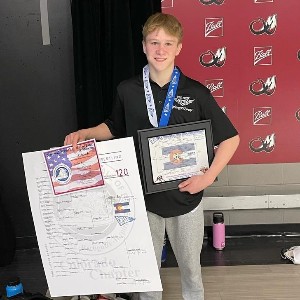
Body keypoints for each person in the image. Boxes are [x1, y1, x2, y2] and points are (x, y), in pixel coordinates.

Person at [65, 12, 240, 300]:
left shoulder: (195, 92)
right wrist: (87, 133)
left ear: (179, 48)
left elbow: (231, 138)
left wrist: (207, 177)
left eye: (168, 44)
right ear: (144, 46)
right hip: (143, 199)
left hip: (186, 198)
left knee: (192, 273)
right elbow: (114, 126)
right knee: (146, 274)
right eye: (154, 42)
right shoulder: (127, 90)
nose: (161, 50)